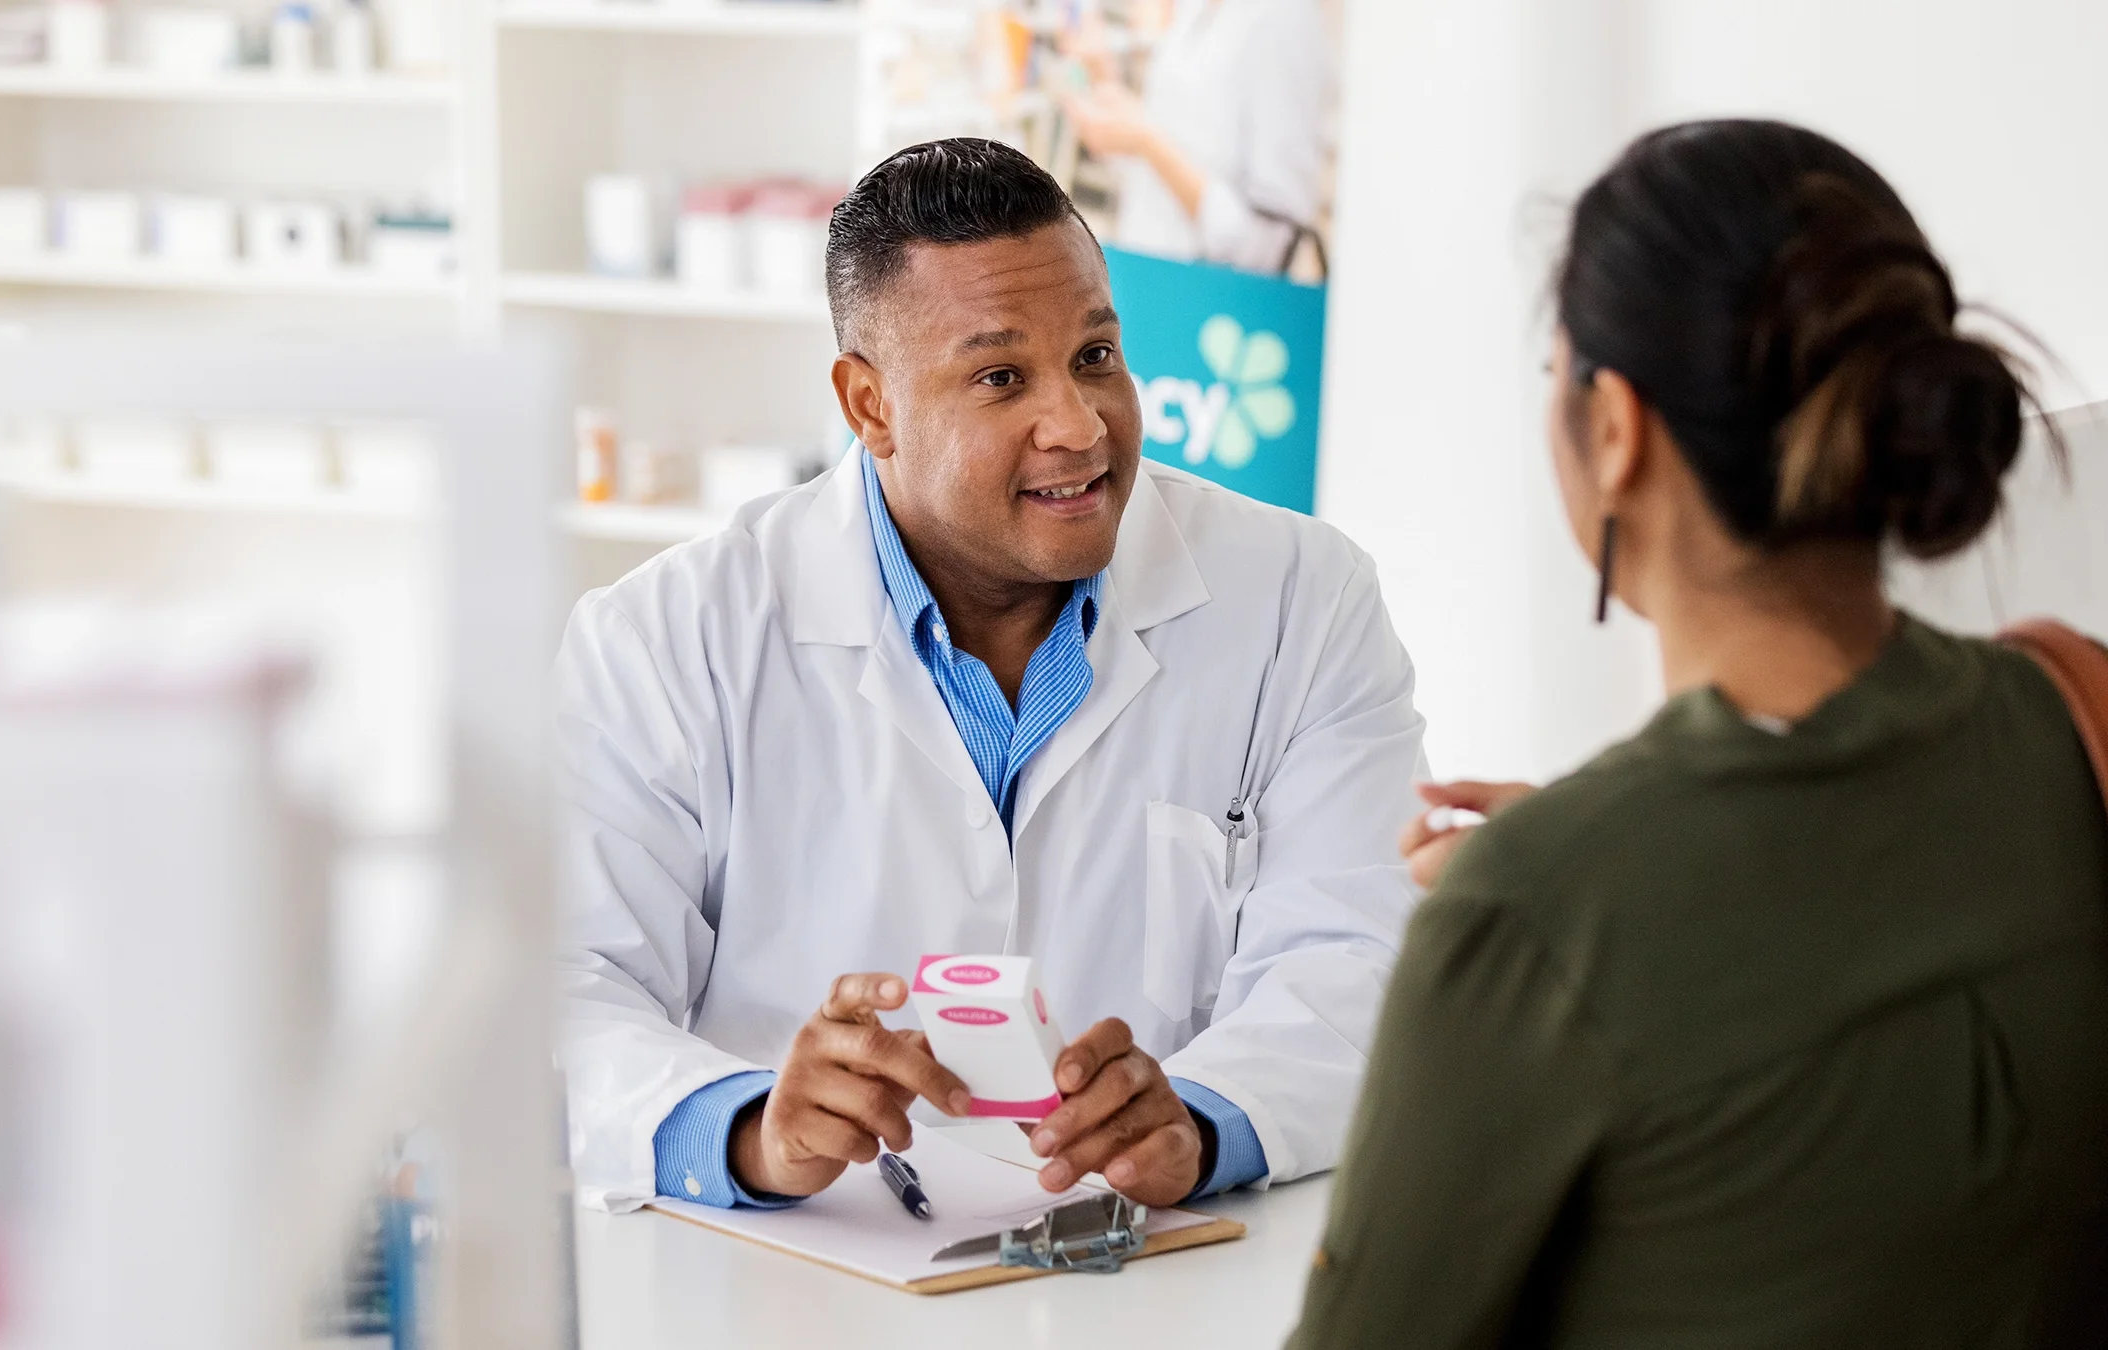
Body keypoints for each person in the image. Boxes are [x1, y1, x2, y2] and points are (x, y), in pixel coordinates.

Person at [1293, 119, 2108, 1347]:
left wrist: (1554, 907)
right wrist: (1589, 883)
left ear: (1616, 427)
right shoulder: (2068, 712)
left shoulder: (1530, 913)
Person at [557, 138, 1425, 1215]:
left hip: (1157, 1264)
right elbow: (566, 992)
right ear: (870, 405)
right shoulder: (666, 640)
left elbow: (1360, 954)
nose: (1079, 425)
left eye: (1096, 356)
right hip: (802, 1263)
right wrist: (749, 1126)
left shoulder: (1304, 598)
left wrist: (1206, 1117)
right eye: (1002, 378)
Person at [1057, 0, 1332, 276]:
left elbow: (1268, 246)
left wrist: (1146, 142)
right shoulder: (1196, 9)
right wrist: (1104, 81)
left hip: (1202, 290)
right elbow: (1158, 176)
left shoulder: (1284, 17)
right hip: (1144, 273)